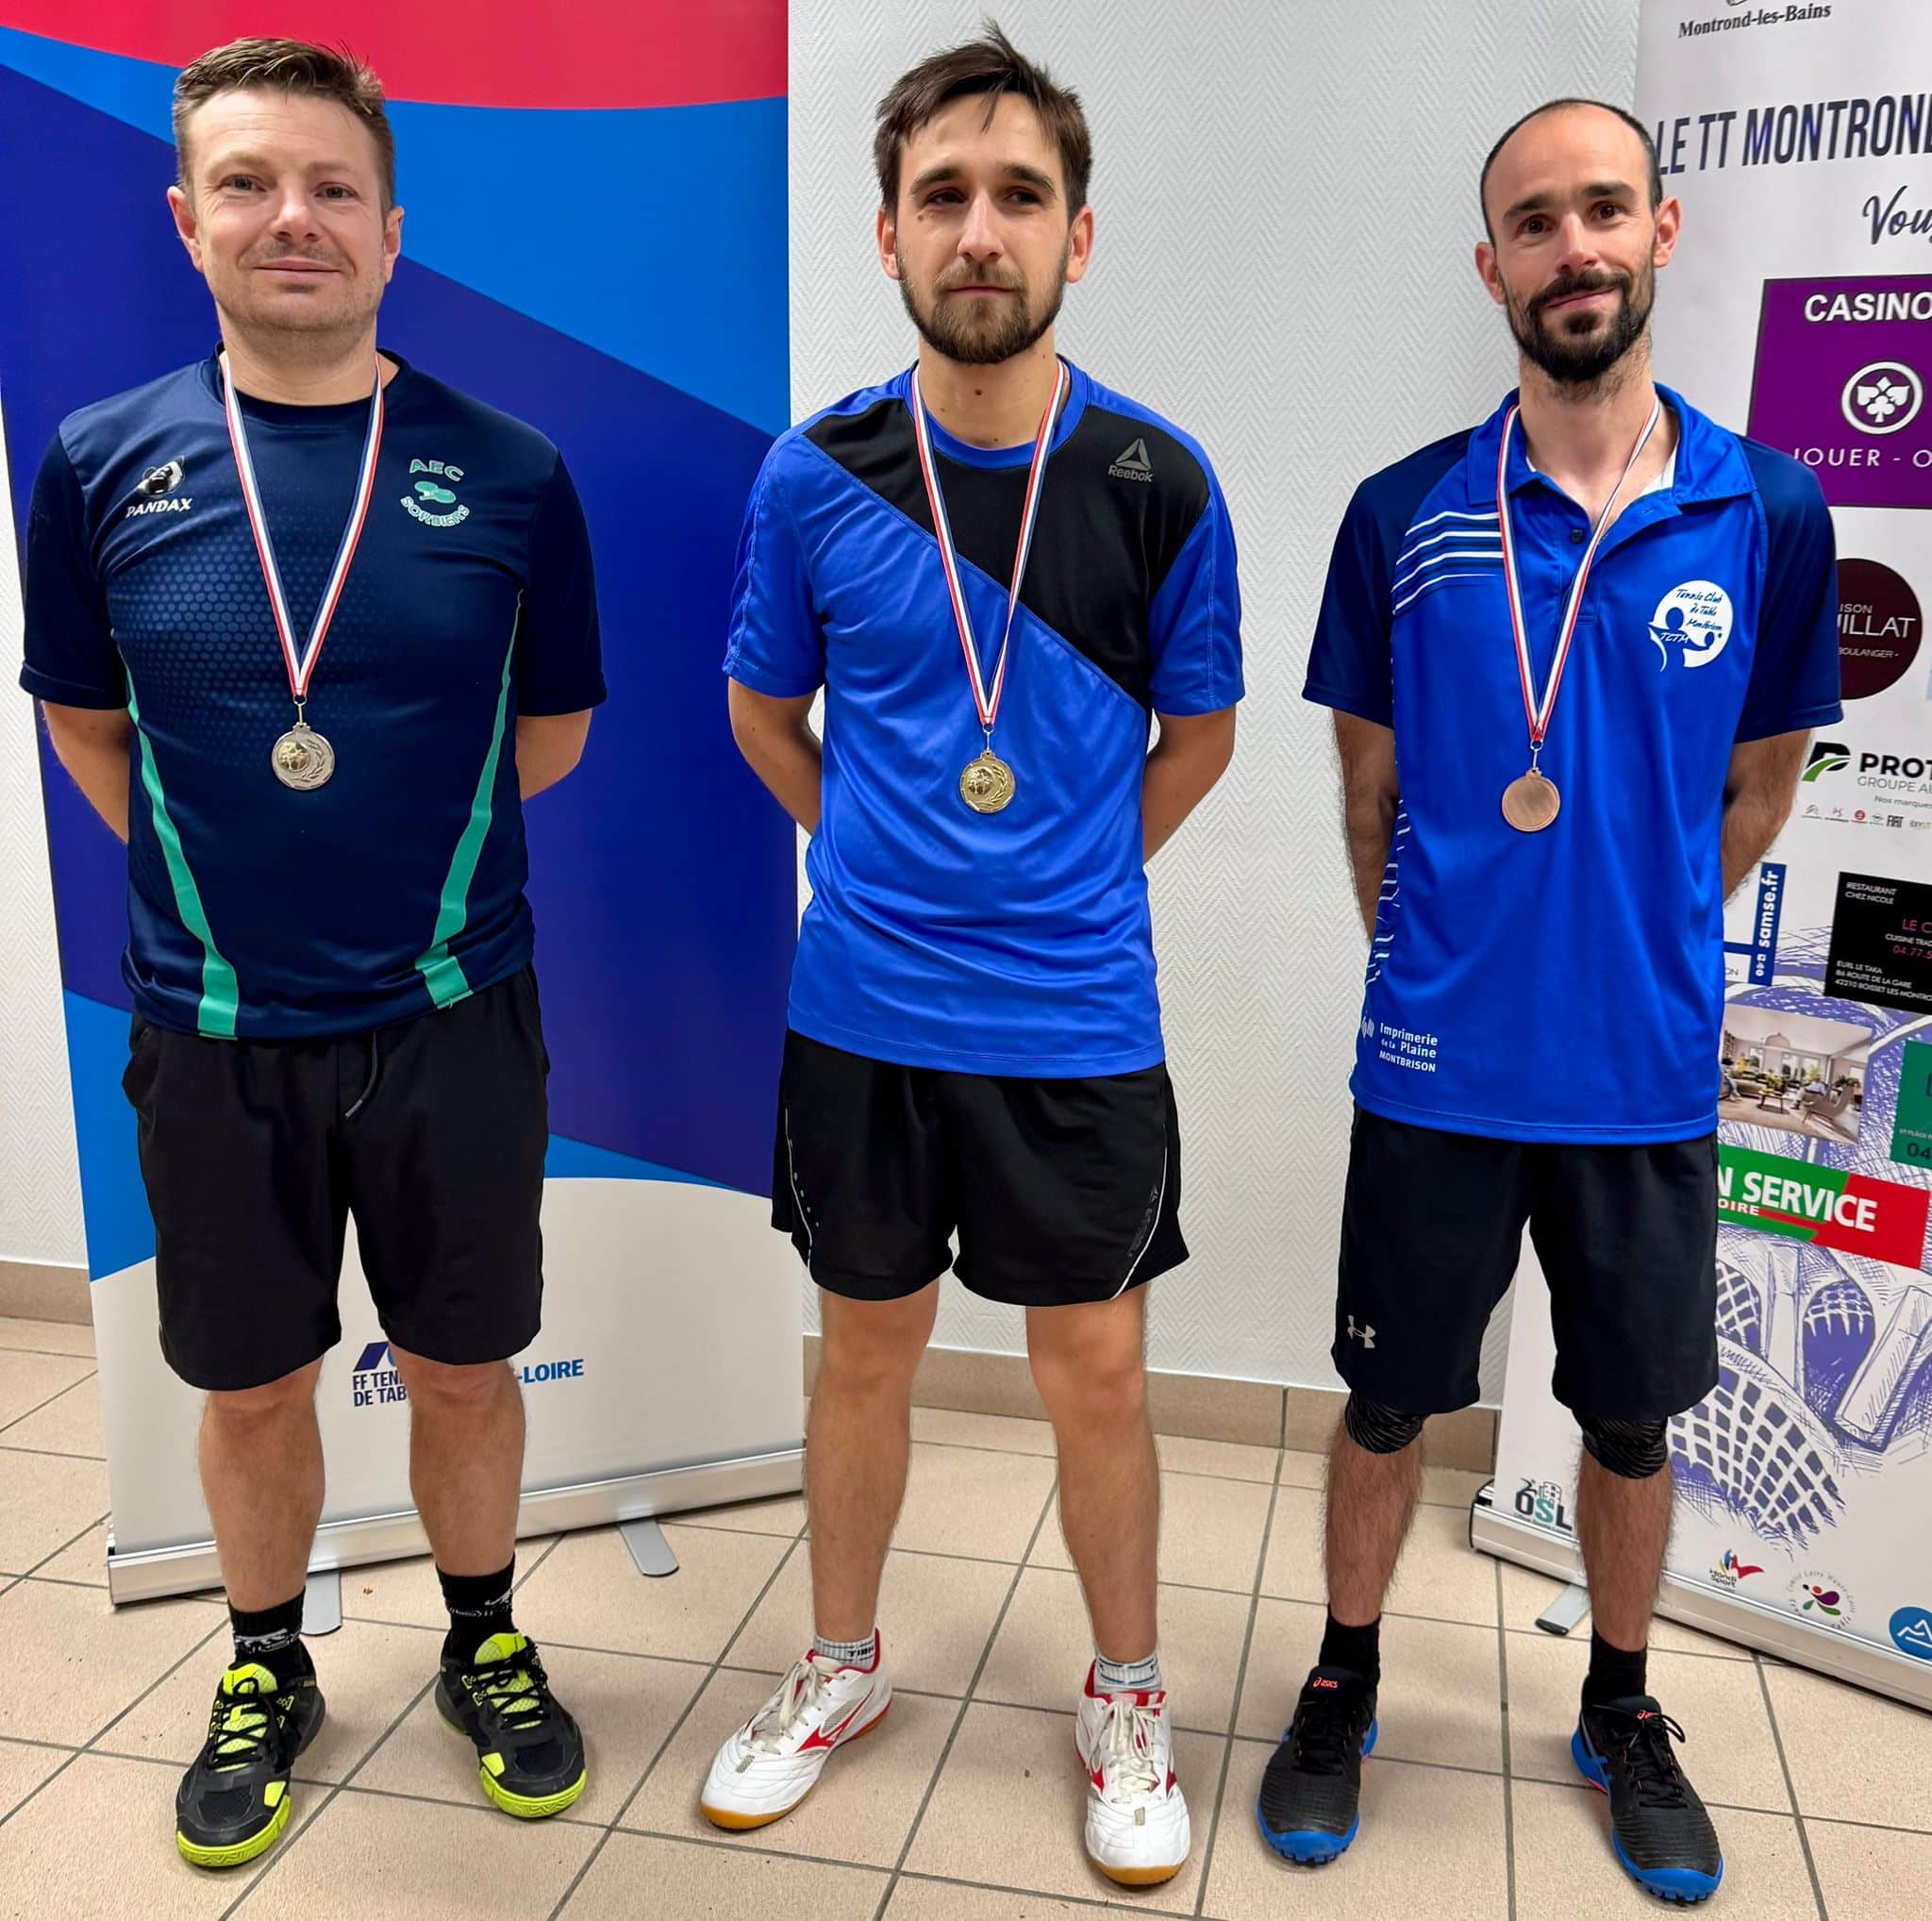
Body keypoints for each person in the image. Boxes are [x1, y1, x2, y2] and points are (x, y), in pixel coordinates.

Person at [19, 38, 603, 1869]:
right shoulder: (97, 463)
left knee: (463, 1366)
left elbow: (551, 735)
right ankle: (266, 1663)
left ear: (391, 228)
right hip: (212, 1025)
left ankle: (483, 1636)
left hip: (452, 1012)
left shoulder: (509, 471)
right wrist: (229, 882)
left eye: (333, 186)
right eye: (251, 184)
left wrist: (385, 862)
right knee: (254, 1382)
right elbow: (85, 721)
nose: (295, 218)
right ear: (186, 220)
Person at [1274, 98, 1839, 1904]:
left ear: (1661, 229)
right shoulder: (1402, 514)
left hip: (1644, 1075)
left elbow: (1757, 790)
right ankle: (1343, 1677)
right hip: (1435, 1070)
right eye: (1536, 222)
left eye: (1604, 210)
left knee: (1630, 1423)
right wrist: (1442, 961)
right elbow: (1371, 796)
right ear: (1492, 264)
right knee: (1386, 1406)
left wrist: (1632, 932)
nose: (1573, 247)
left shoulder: (1769, 508)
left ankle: (1620, 1703)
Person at [704, 26, 1241, 1889]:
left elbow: (1200, 738)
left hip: (1077, 1016)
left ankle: (1127, 1695)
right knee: (864, 1353)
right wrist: (876, 863)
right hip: (862, 1011)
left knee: (1095, 1370)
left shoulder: (1158, 481)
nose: (981, 230)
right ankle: (838, 1665)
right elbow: (760, 710)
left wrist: (1064, 883)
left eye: (1021, 195)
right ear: (889, 232)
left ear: (1078, 234)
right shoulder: (814, 473)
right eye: (944, 194)